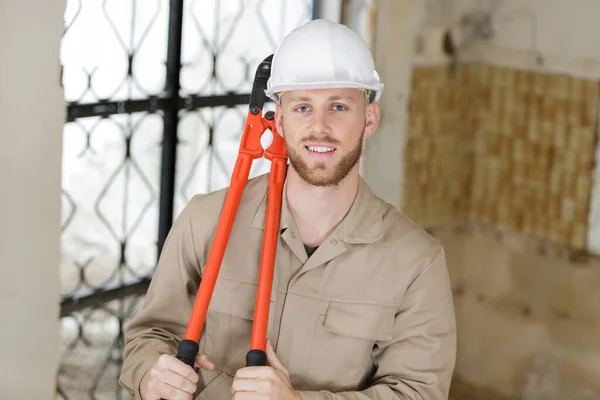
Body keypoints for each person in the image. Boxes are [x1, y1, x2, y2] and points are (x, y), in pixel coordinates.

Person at [119, 18, 456, 400]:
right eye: (302, 108)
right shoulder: (205, 220)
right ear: (278, 121)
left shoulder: (417, 262)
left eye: (339, 106)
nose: (319, 126)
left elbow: (417, 393)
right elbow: (150, 335)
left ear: (370, 118)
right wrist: (149, 376)